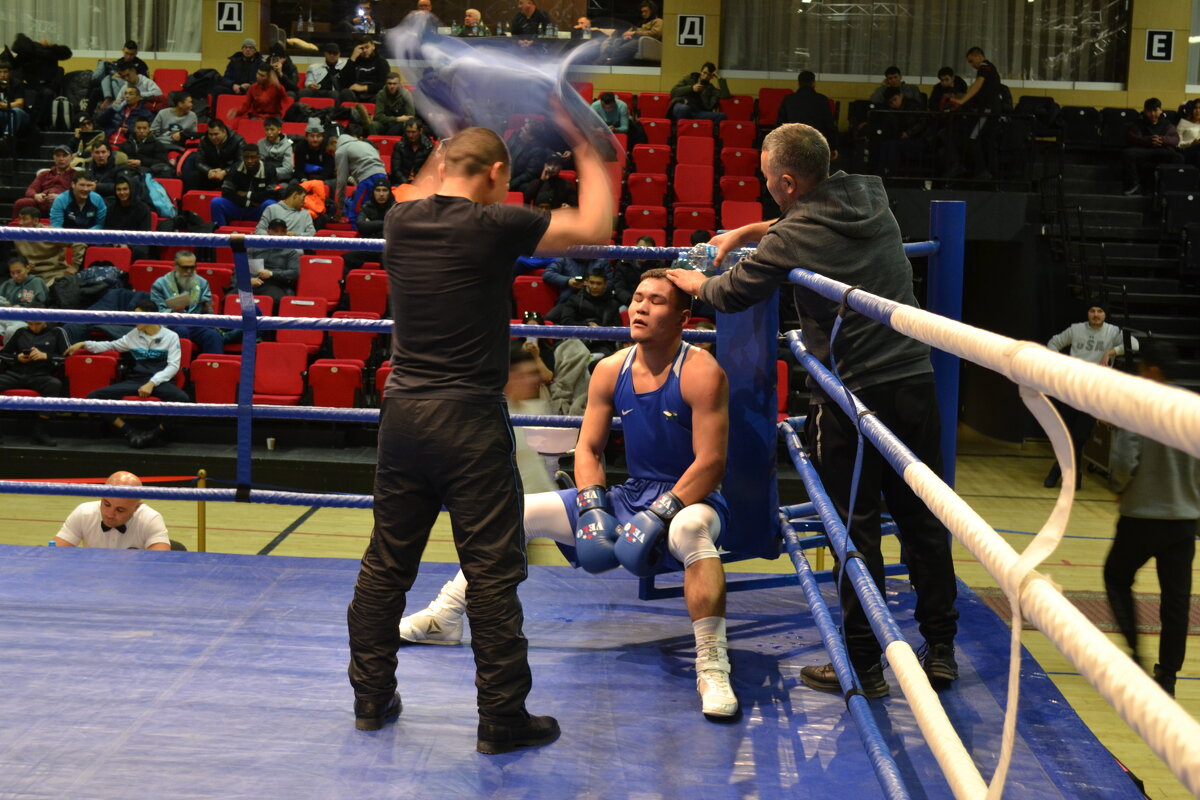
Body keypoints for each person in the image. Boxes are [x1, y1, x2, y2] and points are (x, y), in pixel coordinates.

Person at [666, 122, 960, 698]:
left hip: (855, 396)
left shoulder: (793, 235)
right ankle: (942, 649)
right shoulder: (869, 194)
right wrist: (742, 231)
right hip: (914, 381)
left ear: (787, 180)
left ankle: (863, 666)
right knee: (923, 521)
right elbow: (794, 223)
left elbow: (732, 293)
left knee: (855, 531)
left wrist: (694, 281)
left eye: (769, 178)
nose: (765, 184)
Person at [346, 123, 612, 748]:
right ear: (496, 176)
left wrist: (450, 145)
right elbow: (595, 225)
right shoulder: (499, 225)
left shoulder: (401, 221)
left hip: (405, 416)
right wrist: (585, 142)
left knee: (387, 561)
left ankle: (370, 697)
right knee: (491, 571)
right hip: (468, 418)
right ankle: (501, 719)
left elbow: (427, 183)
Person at [400, 268, 739, 720]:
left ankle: (712, 665)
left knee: (694, 530)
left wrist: (661, 513)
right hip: (630, 495)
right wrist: (593, 502)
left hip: (692, 497)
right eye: (637, 297)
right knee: (517, 513)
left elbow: (711, 463)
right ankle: (446, 614)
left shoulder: (702, 371)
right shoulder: (609, 369)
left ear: (682, 317)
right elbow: (588, 448)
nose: (640, 306)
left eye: (655, 301)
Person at [1103, 340, 1200, 698]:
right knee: (1177, 599)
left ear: (1153, 371)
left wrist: (1117, 486)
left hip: (1142, 516)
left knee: (1116, 576)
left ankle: (1135, 657)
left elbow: (1126, 459)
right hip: (1183, 520)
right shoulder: (1194, 407)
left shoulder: (1140, 404)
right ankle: (1168, 677)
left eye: (1142, 369)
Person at [65, 300, 192, 448]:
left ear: (151, 317)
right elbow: (110, 345)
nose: (133, 319)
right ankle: (130, 431)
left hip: (160, 381)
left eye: (137, 316)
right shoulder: (133, 335)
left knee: (182, 399)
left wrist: (152, 383)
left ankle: (154, 434)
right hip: (137, 379)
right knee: (94, 398)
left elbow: (173, 367)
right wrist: (84, 343)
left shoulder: (171, 336)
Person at [1043, 302, 1137, 489]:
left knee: (1079, 436)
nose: (1096, 314)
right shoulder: (1076, 329)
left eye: (1100, 311)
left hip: (1094, 391)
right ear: (1087, 313)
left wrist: (1111, 351)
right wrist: (1060, 365)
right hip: (1071, 388)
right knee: (1068, 435)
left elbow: (1134, 344)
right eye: (1092, 310)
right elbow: (1053, 343)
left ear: (1105, 315)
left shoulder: (1113, 331)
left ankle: (1057, 471)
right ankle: (1074, 475)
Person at [54, 472, 171, 549]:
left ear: (137, 507)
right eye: (106, 504)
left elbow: (160, 564)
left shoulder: (151, 519)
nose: (109, 514)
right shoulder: (83, 513)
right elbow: (55, 556)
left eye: (120, 510)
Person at [0, 317, 67, 446]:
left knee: (54, 385)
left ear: (45, 321)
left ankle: (40, 432)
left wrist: (46, 356)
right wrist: (17, 357)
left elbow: (68, 358)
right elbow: (3, 354)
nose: (34, 327)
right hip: (16, 374)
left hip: (41, 375)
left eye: (38, 324)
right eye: (30, 324)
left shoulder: (57, 332)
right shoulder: (20, 332)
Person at [148, 251, 224, 355]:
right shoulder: (160, 284)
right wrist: (172, 311)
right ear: (176, 265)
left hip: (194, 323)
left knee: (213, 335)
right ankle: (180, 369)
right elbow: (154, 311)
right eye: (185, 268)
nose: (189, 271)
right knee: (181, 331)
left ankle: (214, 370)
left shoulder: (202, 282)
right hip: (170, 324)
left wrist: (207, 309)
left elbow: (207, 312)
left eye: (192, 267)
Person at [947, 47, 1004, 179]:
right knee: (988, 142)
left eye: (972, 61)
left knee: (973, 137)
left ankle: (982, 171)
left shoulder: (985, 67)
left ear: (979, 56)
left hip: (987, 111)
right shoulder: (990, 69)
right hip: (992, 110)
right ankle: (992, 174)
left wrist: (961, 101)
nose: (972, 65)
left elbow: (977, 85)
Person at [1121, 97, 1183, 196]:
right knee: (1128, 153)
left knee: (1178, 157)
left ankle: (1172, 187)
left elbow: (1175, 139)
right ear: (1145, 111)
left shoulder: (1167, 124)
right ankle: (1134, 185)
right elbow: (1132, 137)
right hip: (1144, 150)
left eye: (1155, 110)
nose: (1153, 114)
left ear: (1160, 110)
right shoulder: (1138, 123)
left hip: (1162, 150)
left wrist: (1162, 140)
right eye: (1149, 111)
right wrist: (1149, 140)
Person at [10, 33, 72, 128]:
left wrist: (52, 46)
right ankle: (28, 123)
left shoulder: (45, 50)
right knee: (25, 93)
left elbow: (67, 53)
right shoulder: (23, 55)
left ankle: (39, 124)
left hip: (48, 85)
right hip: (31, 85)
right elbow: (13, 69)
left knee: (47, 94)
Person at [332, 124, 387, 224]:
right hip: (383, 176)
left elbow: (341, 181)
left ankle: (355, 238)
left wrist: (339, 208)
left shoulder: (342, 149)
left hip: (368, 178)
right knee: (378, 212)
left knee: (355, 213)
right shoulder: (366, 144)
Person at [49, 172, 106, 268]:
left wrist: (86, 234)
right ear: (73, 185)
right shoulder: (61, 200)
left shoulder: (97, 199)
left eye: (89, 185)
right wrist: (73, 237)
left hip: (90, 238)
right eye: (82, 185)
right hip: (67, 239)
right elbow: (56, 225)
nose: (85, 189)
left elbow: (101, 224)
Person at [12, 143, 75, 219]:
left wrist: (61, 197)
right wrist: (36, 196)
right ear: (54, 158)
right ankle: (14, 229)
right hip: (42, 203)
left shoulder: (76, 175)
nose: (61, 159)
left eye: (64, 156)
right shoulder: (44, 174)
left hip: (63, 202)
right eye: (58, 156)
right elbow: (30, 190)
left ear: (71, 158)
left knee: (57, 203)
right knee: (22, 202)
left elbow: (79, 194)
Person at [777, 71, 837, 150]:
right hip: (816, 144)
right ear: (814, 83)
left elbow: (780, 125)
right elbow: (829, 125)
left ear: (798, 84)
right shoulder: (822, 99)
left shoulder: (789, 99)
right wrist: (833, 147)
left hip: (793, 144)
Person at [13, 206, 68, 285]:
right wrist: (25, 266)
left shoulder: (51, 232)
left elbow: (79, 243)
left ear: (35, 220)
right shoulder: (17, 236)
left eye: (24, 219)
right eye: (20, 219)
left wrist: (75, 266)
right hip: (30, 275)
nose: (20, 223)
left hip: (54, 274)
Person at [103, 176, 154, 261]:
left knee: (141, 250)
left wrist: (128, 245)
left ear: (131, 190)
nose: (122, 192)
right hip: (115, 242)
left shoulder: (143, 208)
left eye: (125, 189)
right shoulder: (112, 208)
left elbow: (145, 234)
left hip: (135, 243)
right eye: (118, 189)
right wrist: (115, 242)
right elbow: (107, 230)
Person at [188, 119, 245, 191]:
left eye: (216, 134)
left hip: (229, 172)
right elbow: (199, 162)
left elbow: (241, 162)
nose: (213, 137)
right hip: (211, 172)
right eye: (210, 134)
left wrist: (224, 172)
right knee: (193, 175)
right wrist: (209, 171)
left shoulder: (238, 140)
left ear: (224, 132)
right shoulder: (204, 140)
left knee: (239, 176)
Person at [338, 35, 390, 104]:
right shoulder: (354, 62)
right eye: (362, 48)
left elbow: (384, 84)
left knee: (382, 96)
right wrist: (352, 58)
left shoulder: (381, 62)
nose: (365, 50)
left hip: (373, 94)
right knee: (345, 93)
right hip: (356, 96)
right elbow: (343, 80)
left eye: (367, 47)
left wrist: (364, 88)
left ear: (373, 46)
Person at [389, 119, 434, 184]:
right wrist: (405, 182)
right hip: (401, 182)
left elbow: (430, 170)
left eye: (413, 132)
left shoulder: (428, 147)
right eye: (408, 132)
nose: (410, 135)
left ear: (420, 131)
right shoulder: (399, 146)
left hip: (421, 183)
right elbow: (395, 169)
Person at [0, 61, 30, 138]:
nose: (2, 75)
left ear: (10, 72)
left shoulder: (17, 84)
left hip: (20, 115)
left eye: (5, 72)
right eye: (0, 72)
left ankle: (7, 136)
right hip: (3, 113)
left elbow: (20, 104)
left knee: (16, 110)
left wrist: (4, 105)